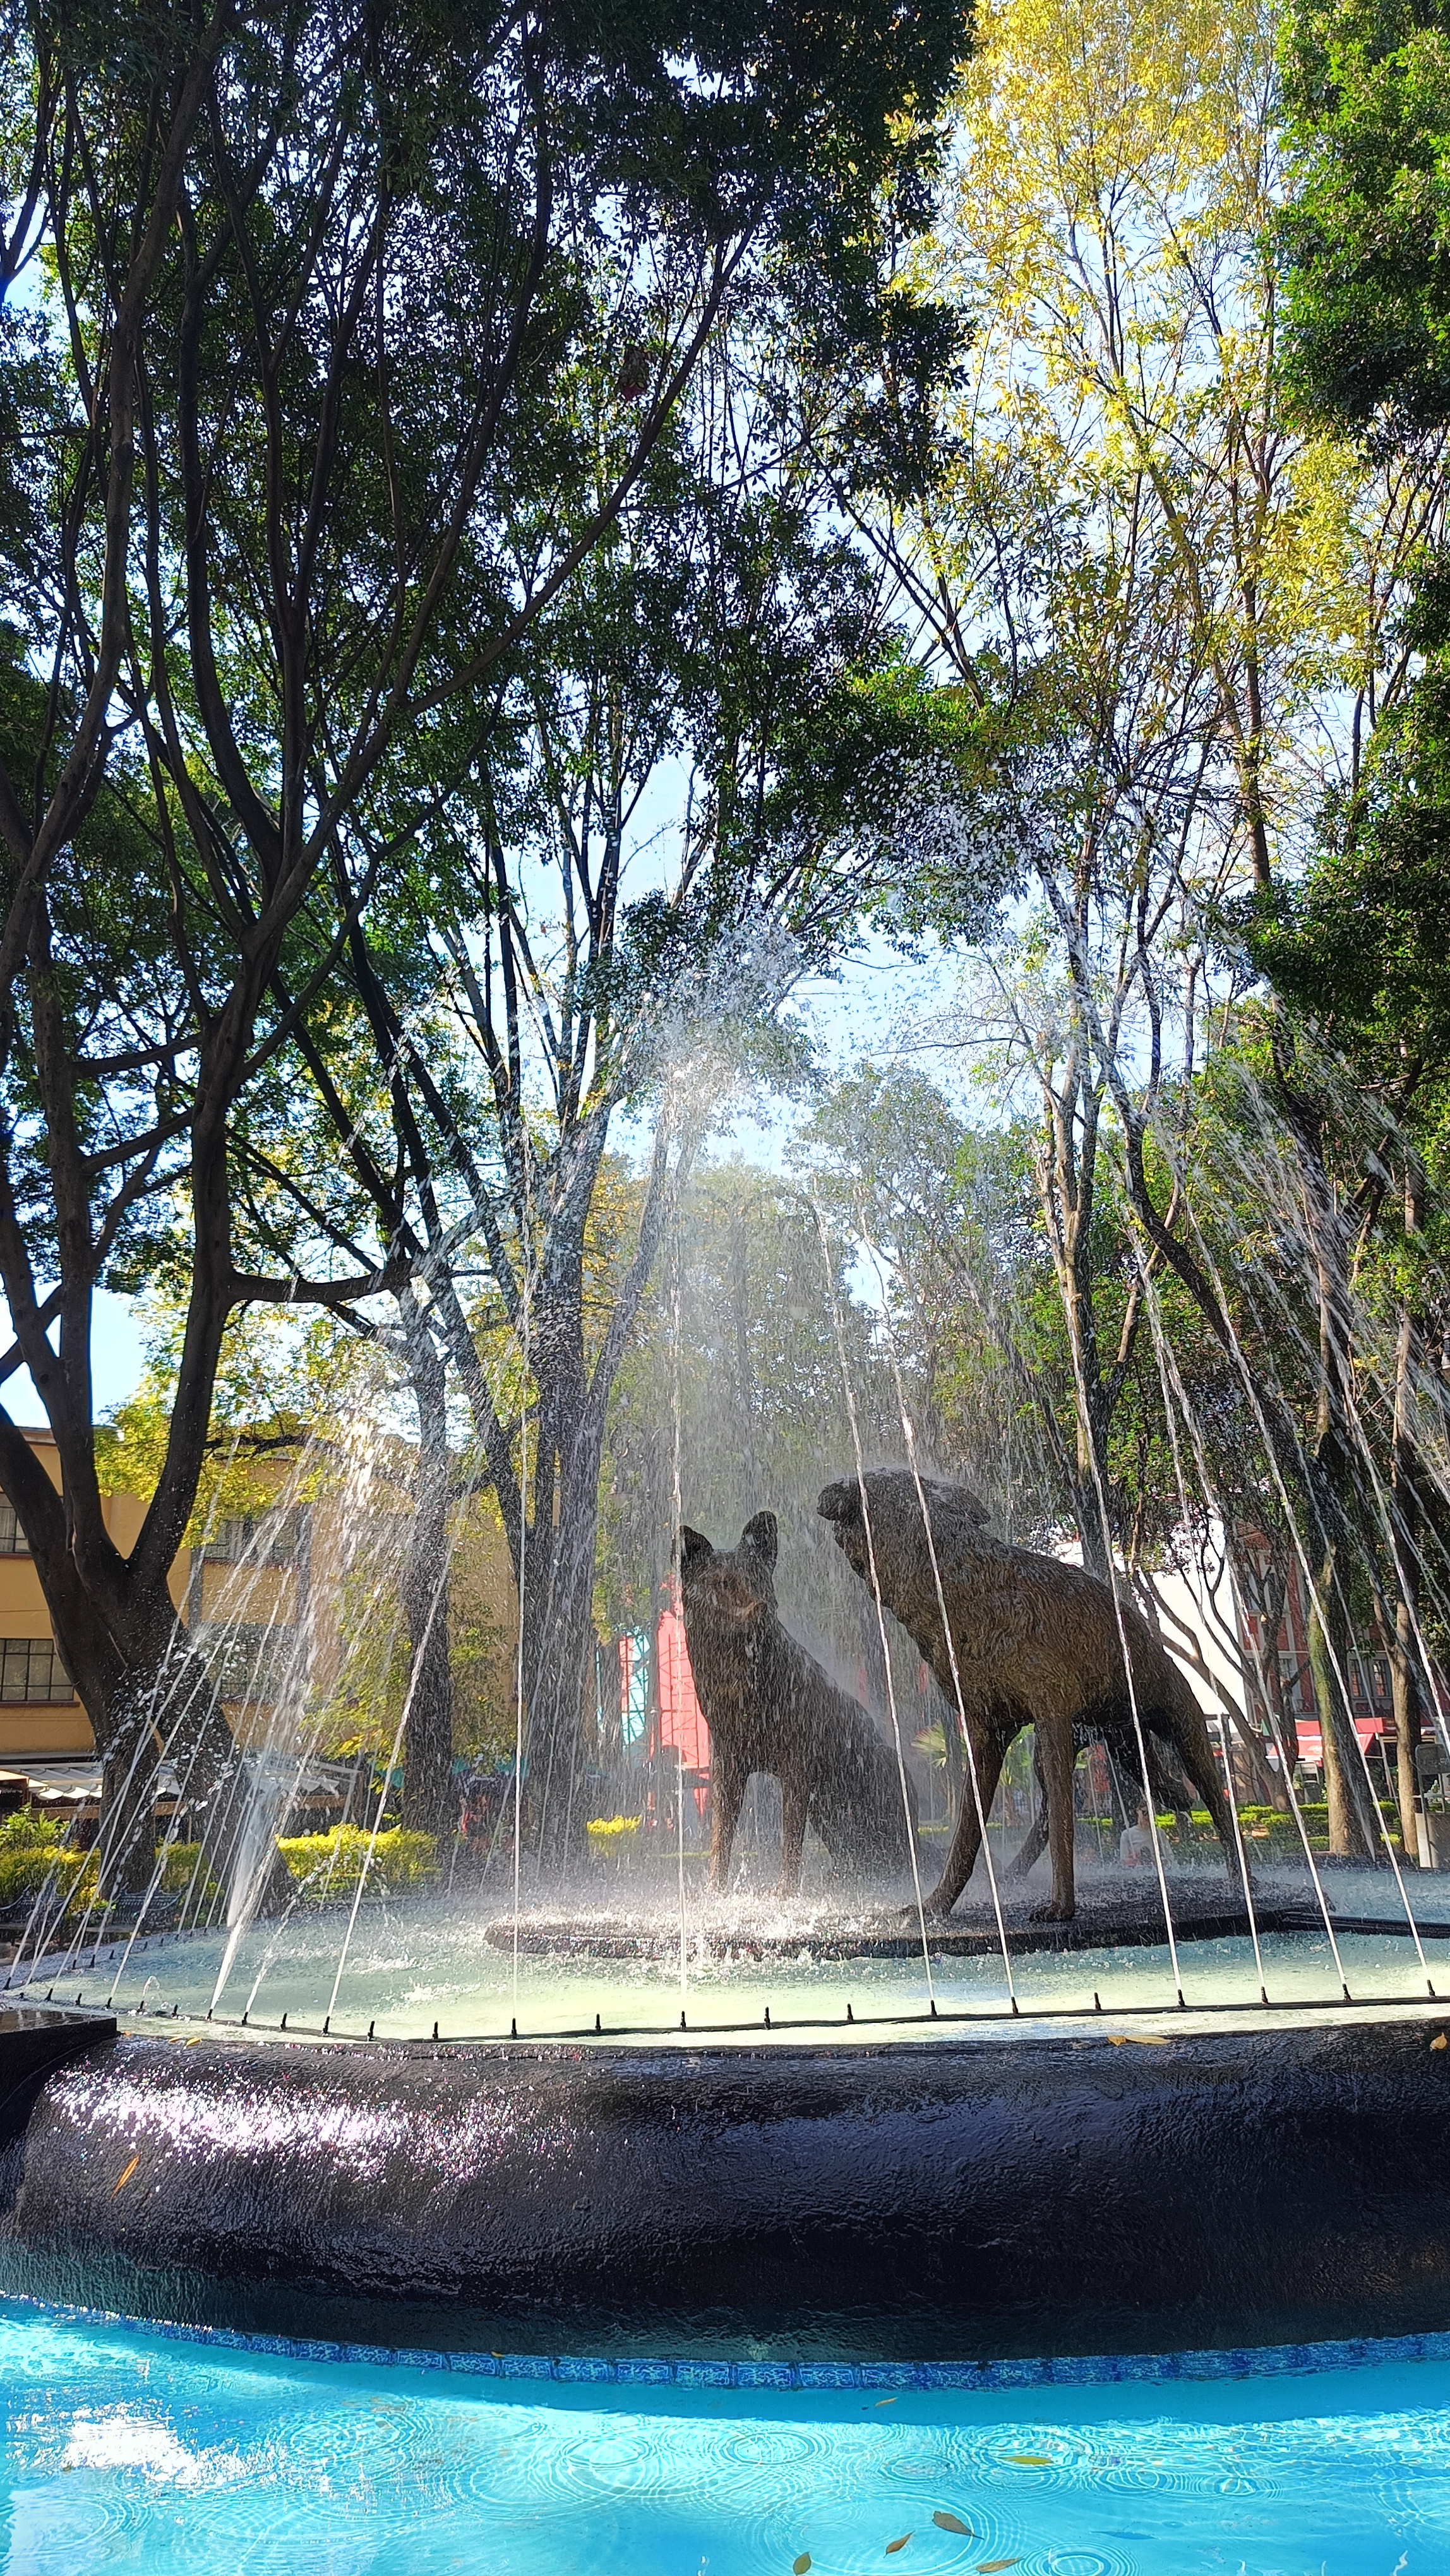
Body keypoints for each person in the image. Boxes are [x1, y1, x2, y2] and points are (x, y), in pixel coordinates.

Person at [1119, 1800, 1154, 1868]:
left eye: (1150, 1814)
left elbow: (1169, 1857)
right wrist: (1131, 1861)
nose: (1147, 1817)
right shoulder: (1127, 1834)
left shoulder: (1159, 1833)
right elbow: (1123, 1859)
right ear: (1138, 1811)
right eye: (1144, 1812)